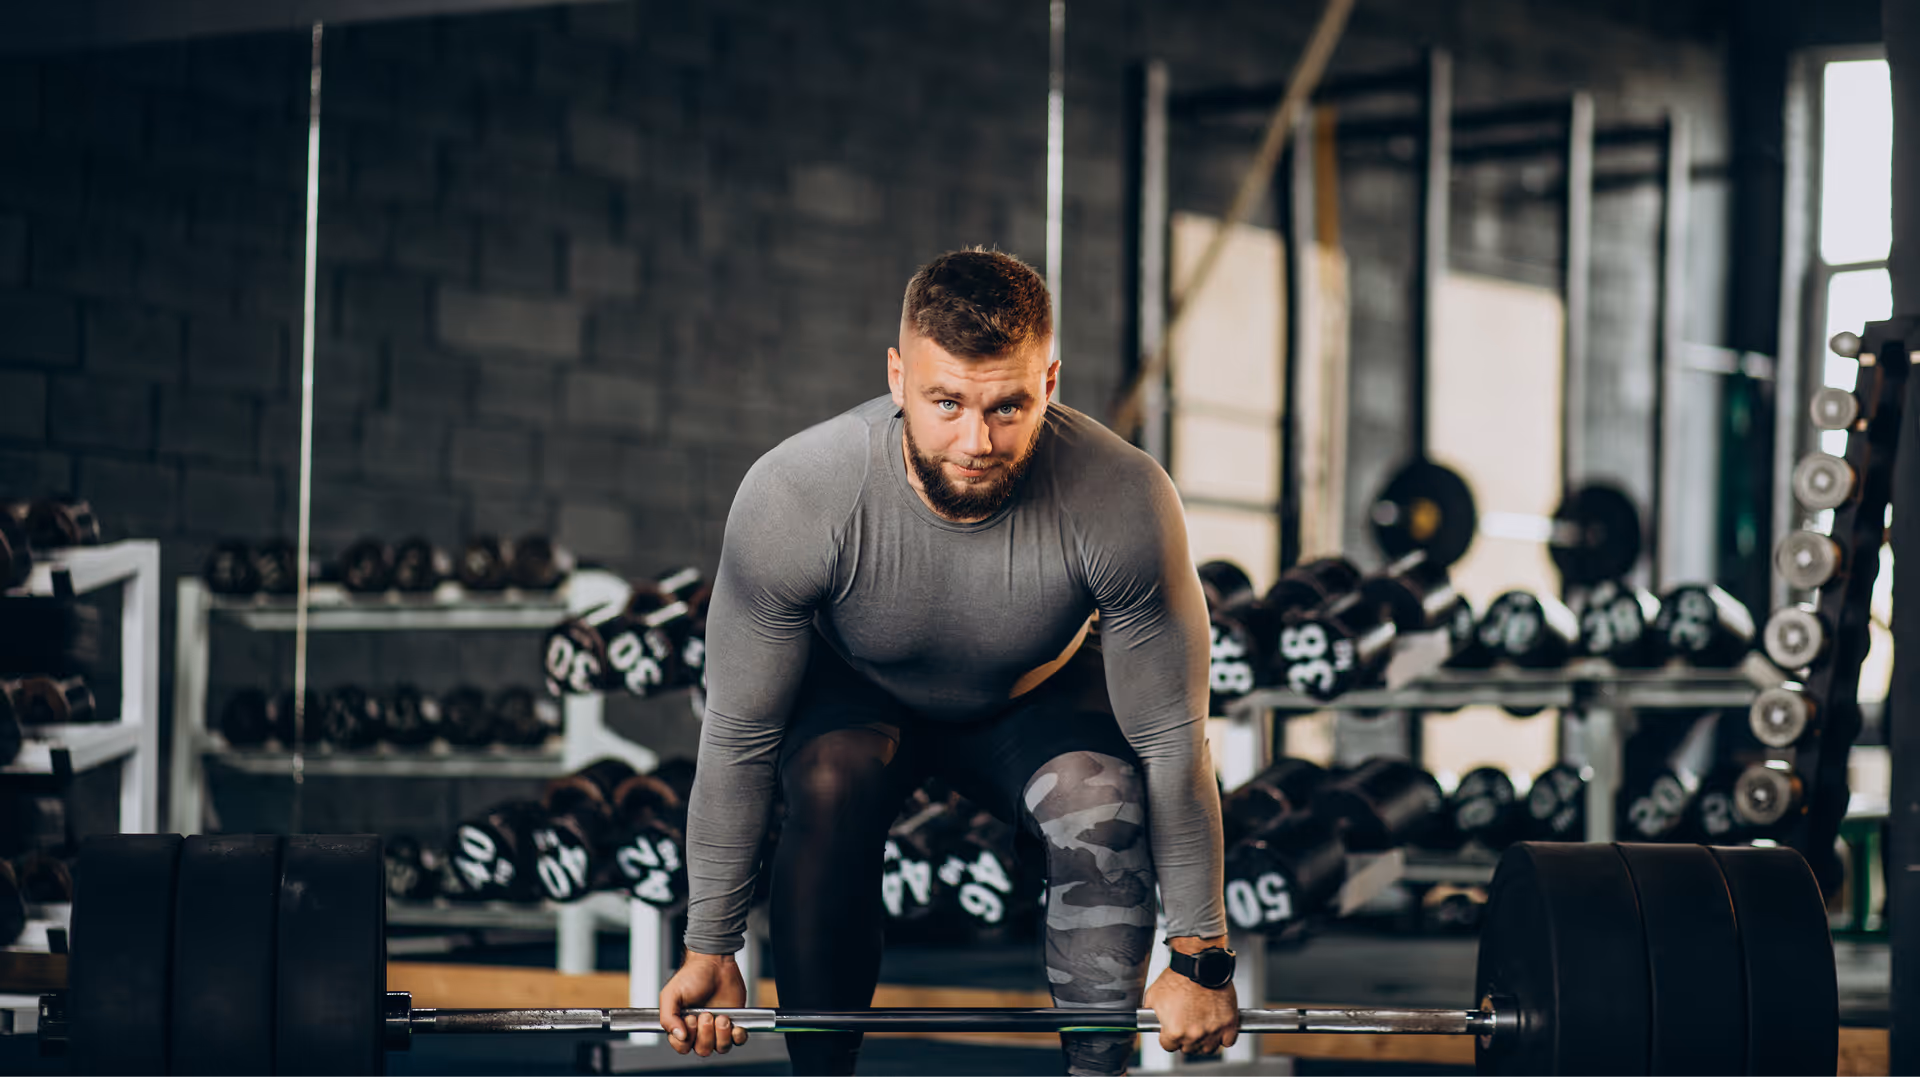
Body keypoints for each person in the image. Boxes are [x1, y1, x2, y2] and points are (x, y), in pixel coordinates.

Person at [659, 248, 1236, 1077]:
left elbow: (1175, 743)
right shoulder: (798, 494)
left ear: (1050, 381)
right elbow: (739, 735)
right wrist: (711, 942)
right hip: (860, 696)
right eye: (946, 403)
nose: (976, 441)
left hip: (1033, 693)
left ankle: (1099, 1071)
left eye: (1007, 405)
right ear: (897, 377)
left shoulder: (1122, 497)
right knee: (827, 776)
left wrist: (1199, 958)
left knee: (1099, 794)